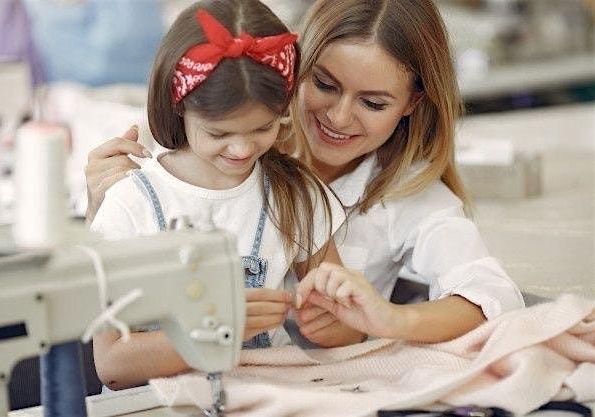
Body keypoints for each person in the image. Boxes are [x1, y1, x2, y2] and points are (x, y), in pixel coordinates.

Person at [86, 0, 524, 350]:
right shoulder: (201, 146)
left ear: (412, 103)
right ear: (294, 69)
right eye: (325, 84)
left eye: (373, 103)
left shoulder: (409, 198)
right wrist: (98, 206)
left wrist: (388, 319)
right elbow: (106, 322)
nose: (338, 116)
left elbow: (490, 294)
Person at [89, 0, 358, 390]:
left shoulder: (295, 194)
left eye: (262, 128)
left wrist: (334, 322)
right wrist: (218, 329)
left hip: (273, 394)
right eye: (219, 134)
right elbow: (113, 365)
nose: (242, 150)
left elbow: (347, 331)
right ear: (177, 106)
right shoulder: (133, 203)